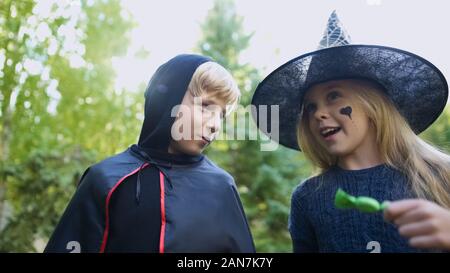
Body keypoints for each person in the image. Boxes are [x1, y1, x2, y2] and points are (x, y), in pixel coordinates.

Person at [251, 11, 449, 252]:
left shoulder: (439, 175)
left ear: (372, 105)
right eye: (310, 107)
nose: (317, 114)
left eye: (333, 96)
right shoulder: (308, 198)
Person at [45, 54, 255, 253]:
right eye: (206, 106)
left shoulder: (222, 188)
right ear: (167, 100)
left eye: (222, 115)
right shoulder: (106, 179)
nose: (215, 125)